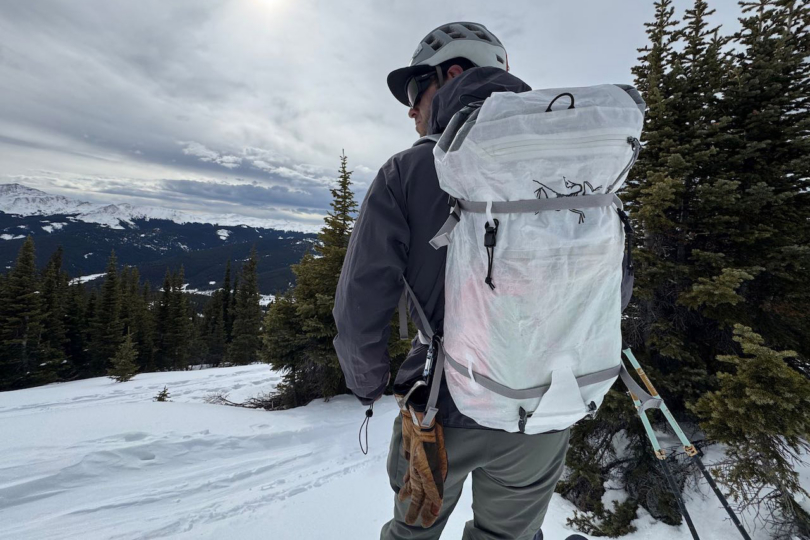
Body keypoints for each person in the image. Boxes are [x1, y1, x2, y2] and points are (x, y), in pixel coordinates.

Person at [333, 22, 568, 540]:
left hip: (441, 409)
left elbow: (359, 305)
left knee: (414, 533)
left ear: (454, 73)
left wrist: (367, 383)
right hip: (545, 410)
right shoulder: (568, 162)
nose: (411, 109)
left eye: (416, 90)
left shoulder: (409, 171)